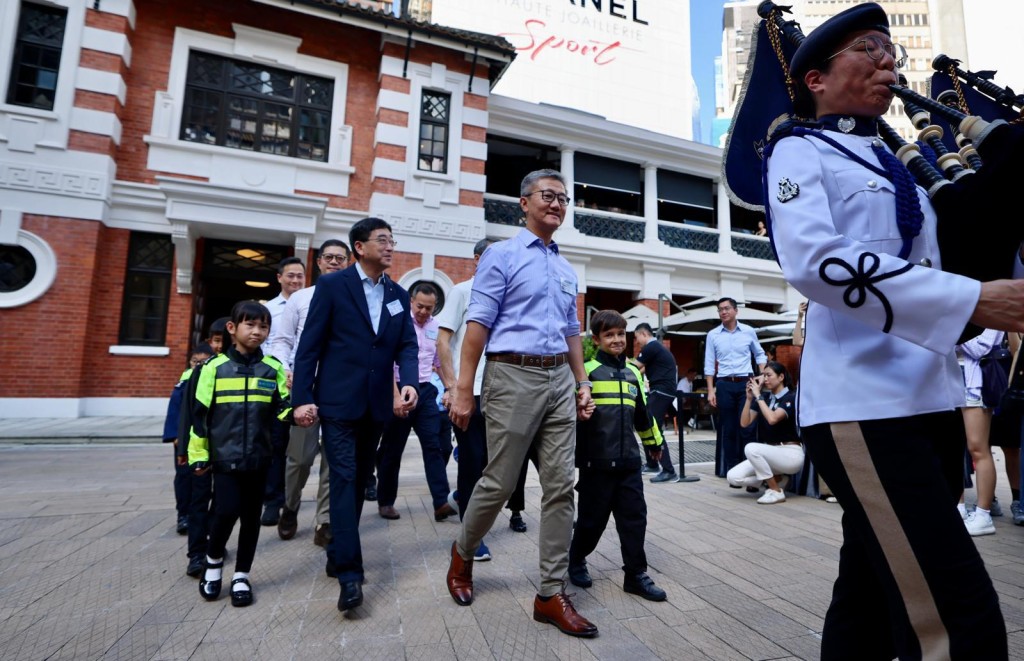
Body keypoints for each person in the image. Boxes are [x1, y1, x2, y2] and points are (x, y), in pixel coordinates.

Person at [762, 3, 1018, 656]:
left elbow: (939, 254)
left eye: (891, 50)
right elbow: (817, 261)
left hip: (928, 397)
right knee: (956, 615)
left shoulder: (899, 164)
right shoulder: (797, 149)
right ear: (815, 79)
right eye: (869, 47)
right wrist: (970, 303)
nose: (888, 61)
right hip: (864, 408)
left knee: (871, 596)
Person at [446, 168, 599, 638]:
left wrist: (581, 381)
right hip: (511, 374)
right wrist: (464, 387)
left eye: (563, 198)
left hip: (558, 378)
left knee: (560, 485)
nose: (556, 204)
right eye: (547, 196)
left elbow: (573, 332)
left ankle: (550, 593)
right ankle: (463, 555)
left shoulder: (567, 268)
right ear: (524, 202)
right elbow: (478, 324)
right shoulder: (501, 255)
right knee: (499, 480)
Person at [291, 217, 419, 614]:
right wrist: (301, 398)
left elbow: (407, 345)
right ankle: (350, 573)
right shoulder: (332, 286)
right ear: (359, 247)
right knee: (344, 478)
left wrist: (409, 381)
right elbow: (309, 346)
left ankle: (336, 547)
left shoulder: (398, 293)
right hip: (338, 403)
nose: (390, 246)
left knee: (361, 479)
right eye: (382, 240)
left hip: (377, 405)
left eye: (392, 240)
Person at [188, 300, 295, 608]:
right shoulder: (212, 369)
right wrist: (198, 455)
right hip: (224, 457)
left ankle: (241, 576)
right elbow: (199, 417)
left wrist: (299, 412)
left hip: (260, 458)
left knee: (251, 518)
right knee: (224, 512)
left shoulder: (273, 368)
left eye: (263, 326)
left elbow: (283, 408)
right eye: (250, 325)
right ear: (232, 329)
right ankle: (213, 562)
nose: (257, 332)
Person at [567, 310, 667, 602]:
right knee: (591, 522)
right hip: (595, 464)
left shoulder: (634, 373)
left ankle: (635, 575)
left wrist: (653, 444)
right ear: (596, 339)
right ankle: (576, 559)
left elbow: (643, 416)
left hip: (629, 463)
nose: (616, 340)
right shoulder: (585, 373)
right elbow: (571, 416)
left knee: (635, 519)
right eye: (609, 335)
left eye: (621, 334)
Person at [270, 240, 350, 548]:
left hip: (339, 390)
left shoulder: (352, 299)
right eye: (329, 257)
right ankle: (290, 506)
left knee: (333, 459)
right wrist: (285, 370)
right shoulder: (301, 298)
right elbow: (281, 341)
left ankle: (324, 521)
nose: (334, 262)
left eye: (340, 258)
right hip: (304, 387)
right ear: (318, 263)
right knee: (300, 459)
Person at [375, 282, 455, 522]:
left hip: (426, 391)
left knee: (435, 446)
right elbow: (387, 361)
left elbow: (439, 362)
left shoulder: (435, 327)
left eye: (429, 308)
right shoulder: (398, 322)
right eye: (420, 306)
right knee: (392, 449)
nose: (423, 312)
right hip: (398, 388)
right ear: (411, 301)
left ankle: (441, 501)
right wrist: (395, 396)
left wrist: (451, 388)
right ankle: (386, 501)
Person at [436, 238, 496, 561]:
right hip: (467, 392)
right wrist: (451, 387)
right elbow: (443, 342)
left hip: (499, 393)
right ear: (476, 259)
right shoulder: (461, 292)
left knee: (491, 464)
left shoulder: (505, 294)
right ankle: (471, 535)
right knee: (473, 461)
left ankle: (462, 495)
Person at [177, 317, 230, 578]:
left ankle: (214, 545)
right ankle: (196, 554)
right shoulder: (200, 370)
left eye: (225, 340)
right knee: (198, 501)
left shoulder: (240, 369)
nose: (221, 346)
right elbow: (188, 412)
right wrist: (183, 449)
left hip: (226, 450)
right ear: (211, 342)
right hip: (200, 449)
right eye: (218, 341)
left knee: (222, 504)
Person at [261, 256, 306, 528]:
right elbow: (270, 346)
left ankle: (290, 501)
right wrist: (281, 373)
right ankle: (273, 501)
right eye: (290, 275)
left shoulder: (309, 304)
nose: (295, 280)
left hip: (305, 384)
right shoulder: (269, 310)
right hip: (278, 385)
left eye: (300, 276)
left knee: (298, 450)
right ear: (279, 277)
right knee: (276, 444)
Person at [704, 297, 767, 477]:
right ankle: (733, 471)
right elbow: (709, 364)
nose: (723, 312)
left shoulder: (748, 331)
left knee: (747, 428)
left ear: (735, 310)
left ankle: (751, 470)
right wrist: (710, 390)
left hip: (746, 384)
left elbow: (760, 354)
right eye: (720, 310)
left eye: (726, 308)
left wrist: (762, 375)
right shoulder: (713, 335)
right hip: (723, 384)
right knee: (729, 429)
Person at [726, 361, 802, 504]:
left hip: (790, 453)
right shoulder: (765, 398)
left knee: (751, 448)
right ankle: (778, 479)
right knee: (733, 477)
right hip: (770, 454)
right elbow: (744, 423)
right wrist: (749, 399)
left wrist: (758, 396)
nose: (765, 379)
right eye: (764, 376)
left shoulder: (791, 397)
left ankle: (775, 490)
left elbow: (772, 419)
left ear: (781, 377)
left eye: (769, 375)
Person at [956, 328, 1004, 535]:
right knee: (952, 446)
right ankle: (958, 507)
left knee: (978, 448)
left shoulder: (989, 308)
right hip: (950, 381)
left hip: (977, 383)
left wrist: (951, 332)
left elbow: (980, 348)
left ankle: (983, 514)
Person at [162, 342, 213, 535]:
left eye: (203, 362)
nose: (198, 366)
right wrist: (175, 436)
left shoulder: (212, 381)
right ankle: (183, 514)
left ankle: (200, 515)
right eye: (195, 362)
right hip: (185, 441)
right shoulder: (184, 384)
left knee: (203, 481)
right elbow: (175, 411)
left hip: (204, 440)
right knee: (184, 478)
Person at [633, 322, 679, 483]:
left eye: (636, 337)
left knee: (653, 427)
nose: (636, 341)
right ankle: (652, 464)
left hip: (661, 390)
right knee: (646, 423)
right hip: (662, 389)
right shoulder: (657, 349)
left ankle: (669, 470)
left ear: (643, 334)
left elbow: (634, 367)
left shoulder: (650, 348)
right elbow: (641, 369)